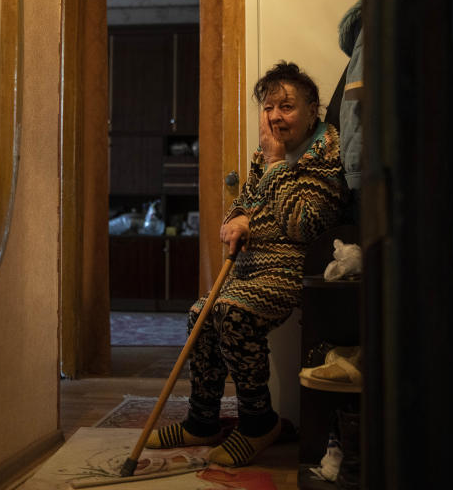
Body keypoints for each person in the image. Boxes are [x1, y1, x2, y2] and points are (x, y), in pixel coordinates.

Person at [146, 61, 348, 466]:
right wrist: (236, 218)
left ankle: (259, 423)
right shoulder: (264, 155)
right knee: (200, 315)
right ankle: (201, 421)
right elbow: (247, 204)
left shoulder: (324, 155)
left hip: (289, 269)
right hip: (247, 269)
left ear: (312, 110)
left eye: (287, 107)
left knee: (232, 315)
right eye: (269, 106)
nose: (275, 116)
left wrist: (276, 166)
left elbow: (304, 225)